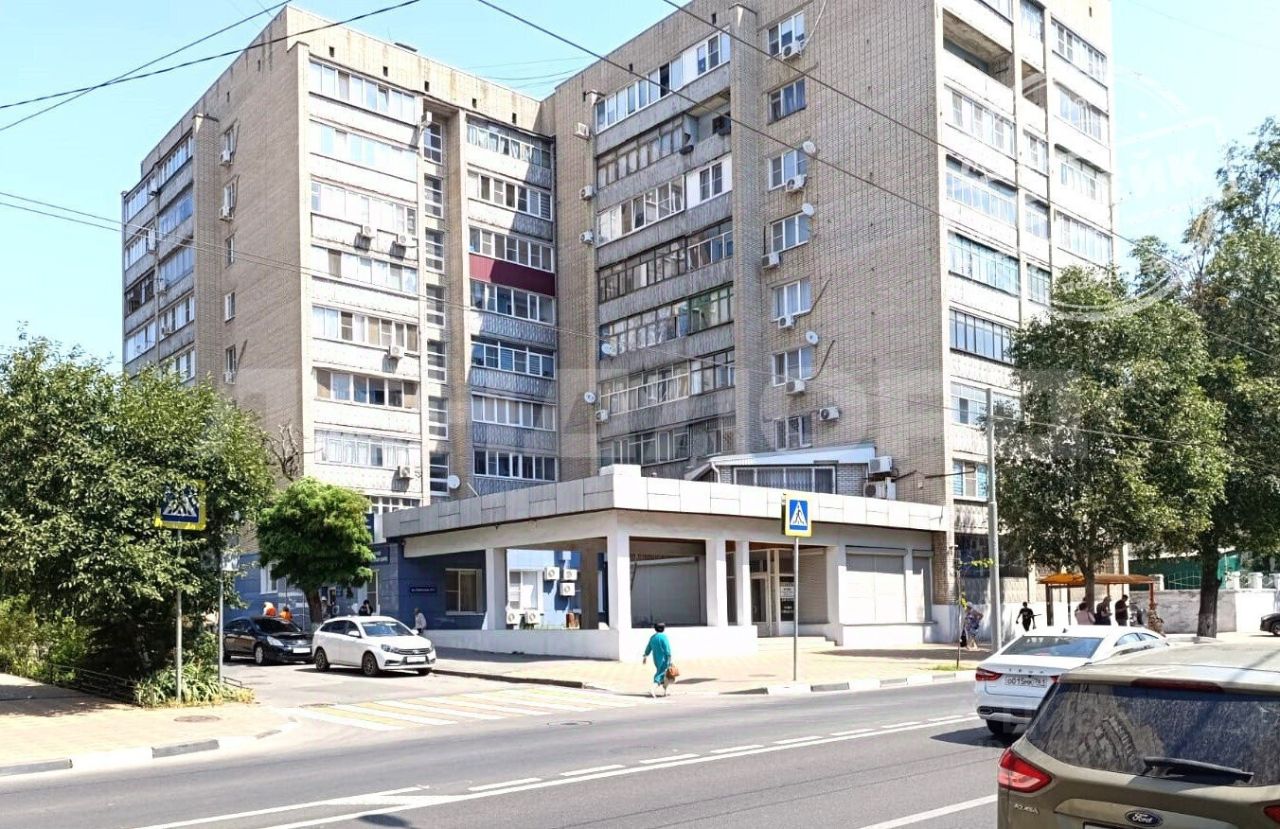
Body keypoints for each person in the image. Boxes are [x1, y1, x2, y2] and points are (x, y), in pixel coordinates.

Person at [642, 622, 674, 698]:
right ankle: (653, 688)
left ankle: (666, 690)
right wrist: (670, 658)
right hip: (664, 659)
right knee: (662, 674)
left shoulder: (653, 638)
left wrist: (645, 656)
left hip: (656, 659)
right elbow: (667, 648)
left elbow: (648, 648)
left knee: (665, 675)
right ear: (663, 629)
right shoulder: (664, 637)